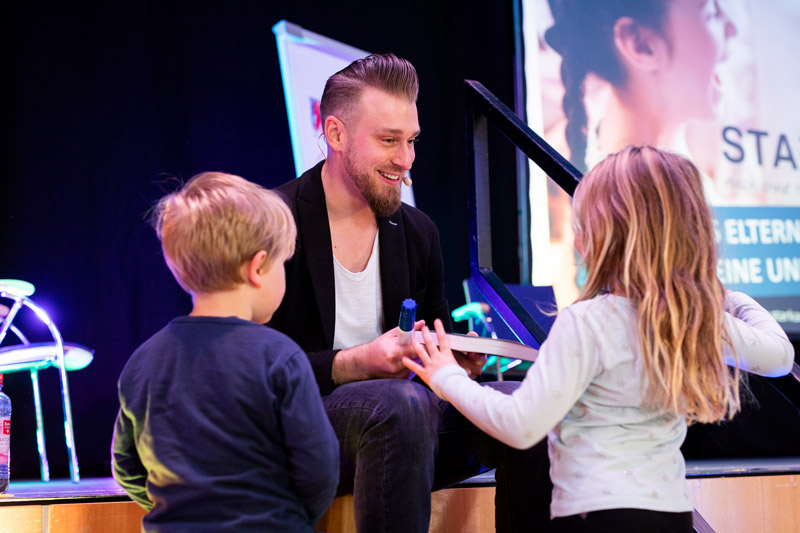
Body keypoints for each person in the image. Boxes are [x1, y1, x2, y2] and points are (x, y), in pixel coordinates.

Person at [405, 145, 794, 532]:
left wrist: (445, 376)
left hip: (596, 518)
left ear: (615, 234)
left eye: (584, 228)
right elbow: (780, 356)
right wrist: (721, 297)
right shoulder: (693, 321)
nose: (577, 243)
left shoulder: (587, 322)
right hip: (670, 516)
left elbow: (520, 424)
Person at [269, 53, 552, 532]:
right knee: (400, 404)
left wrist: (447, 364)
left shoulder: (418, 231)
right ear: (335, 134)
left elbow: (429, 344)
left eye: (412, 141)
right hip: (298, 431)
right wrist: (357, 362)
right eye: (388, 140)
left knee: (531, 406)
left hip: (405, 426)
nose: (406, 160)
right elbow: (253, 370)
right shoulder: (276, 221)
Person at [112, 172, 339, 532]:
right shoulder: (281, 357)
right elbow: (319, 469)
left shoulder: (143, 362)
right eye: (283, 263)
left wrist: (182, 513)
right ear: (257, 268)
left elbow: (127, 466)